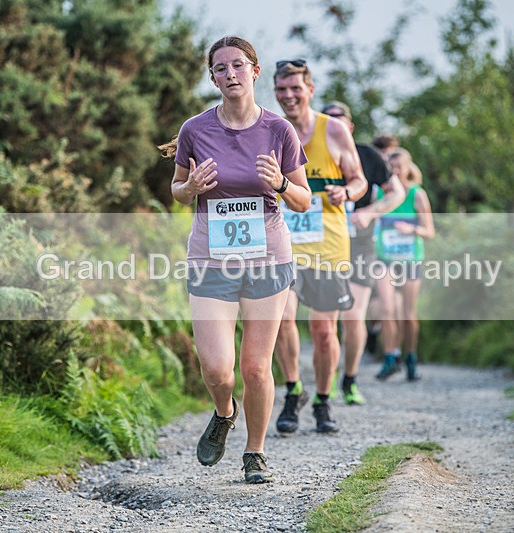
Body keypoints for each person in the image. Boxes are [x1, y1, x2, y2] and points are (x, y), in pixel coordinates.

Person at [168, 36, 311, 483]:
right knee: (217, 369)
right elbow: (175, 190)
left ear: (255, 71)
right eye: (220, 68)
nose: (229, 74)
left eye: (237, 65)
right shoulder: (195, 129)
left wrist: (281, 185)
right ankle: (224, 412)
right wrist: (190, 189)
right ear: (212, 77)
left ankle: (255, 453)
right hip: (211, 258)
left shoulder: (278, 130)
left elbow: (305, 200)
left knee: (255, 365)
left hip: (267, 257)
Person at [273, 60, 367, 434]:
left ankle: (324, 400)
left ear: (310, 90)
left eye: (296, 88)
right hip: (282, 242)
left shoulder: (334, 131)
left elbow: (359, 180)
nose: (288, 96)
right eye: (282, 89)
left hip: (328, 242)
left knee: (325, 331)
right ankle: (293, 389)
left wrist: (347, 191)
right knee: (282, 319)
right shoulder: (270, 129)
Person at [320, 101, 404, 405]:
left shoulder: (367, 155)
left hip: (360, 244)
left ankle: (350, 378)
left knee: (353, 316)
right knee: (326, 320)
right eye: (327, 121)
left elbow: (397, 192)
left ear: (350, 127)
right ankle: (324, 381)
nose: (334, 126)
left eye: (339, 122)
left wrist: (371, 212)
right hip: (323, 246)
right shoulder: (309, 153)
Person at [374, 151, 435, 381]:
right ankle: (390, 357)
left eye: (400, 167)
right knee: (386, 309)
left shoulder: (417, 195)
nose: (396, 171)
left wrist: (413, 229)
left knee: (409, 314)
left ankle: (411, 356)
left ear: (409, 168)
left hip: (410, 260)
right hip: (384, 259)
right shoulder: (381, 193)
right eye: (392, 167)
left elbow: (430, 231)